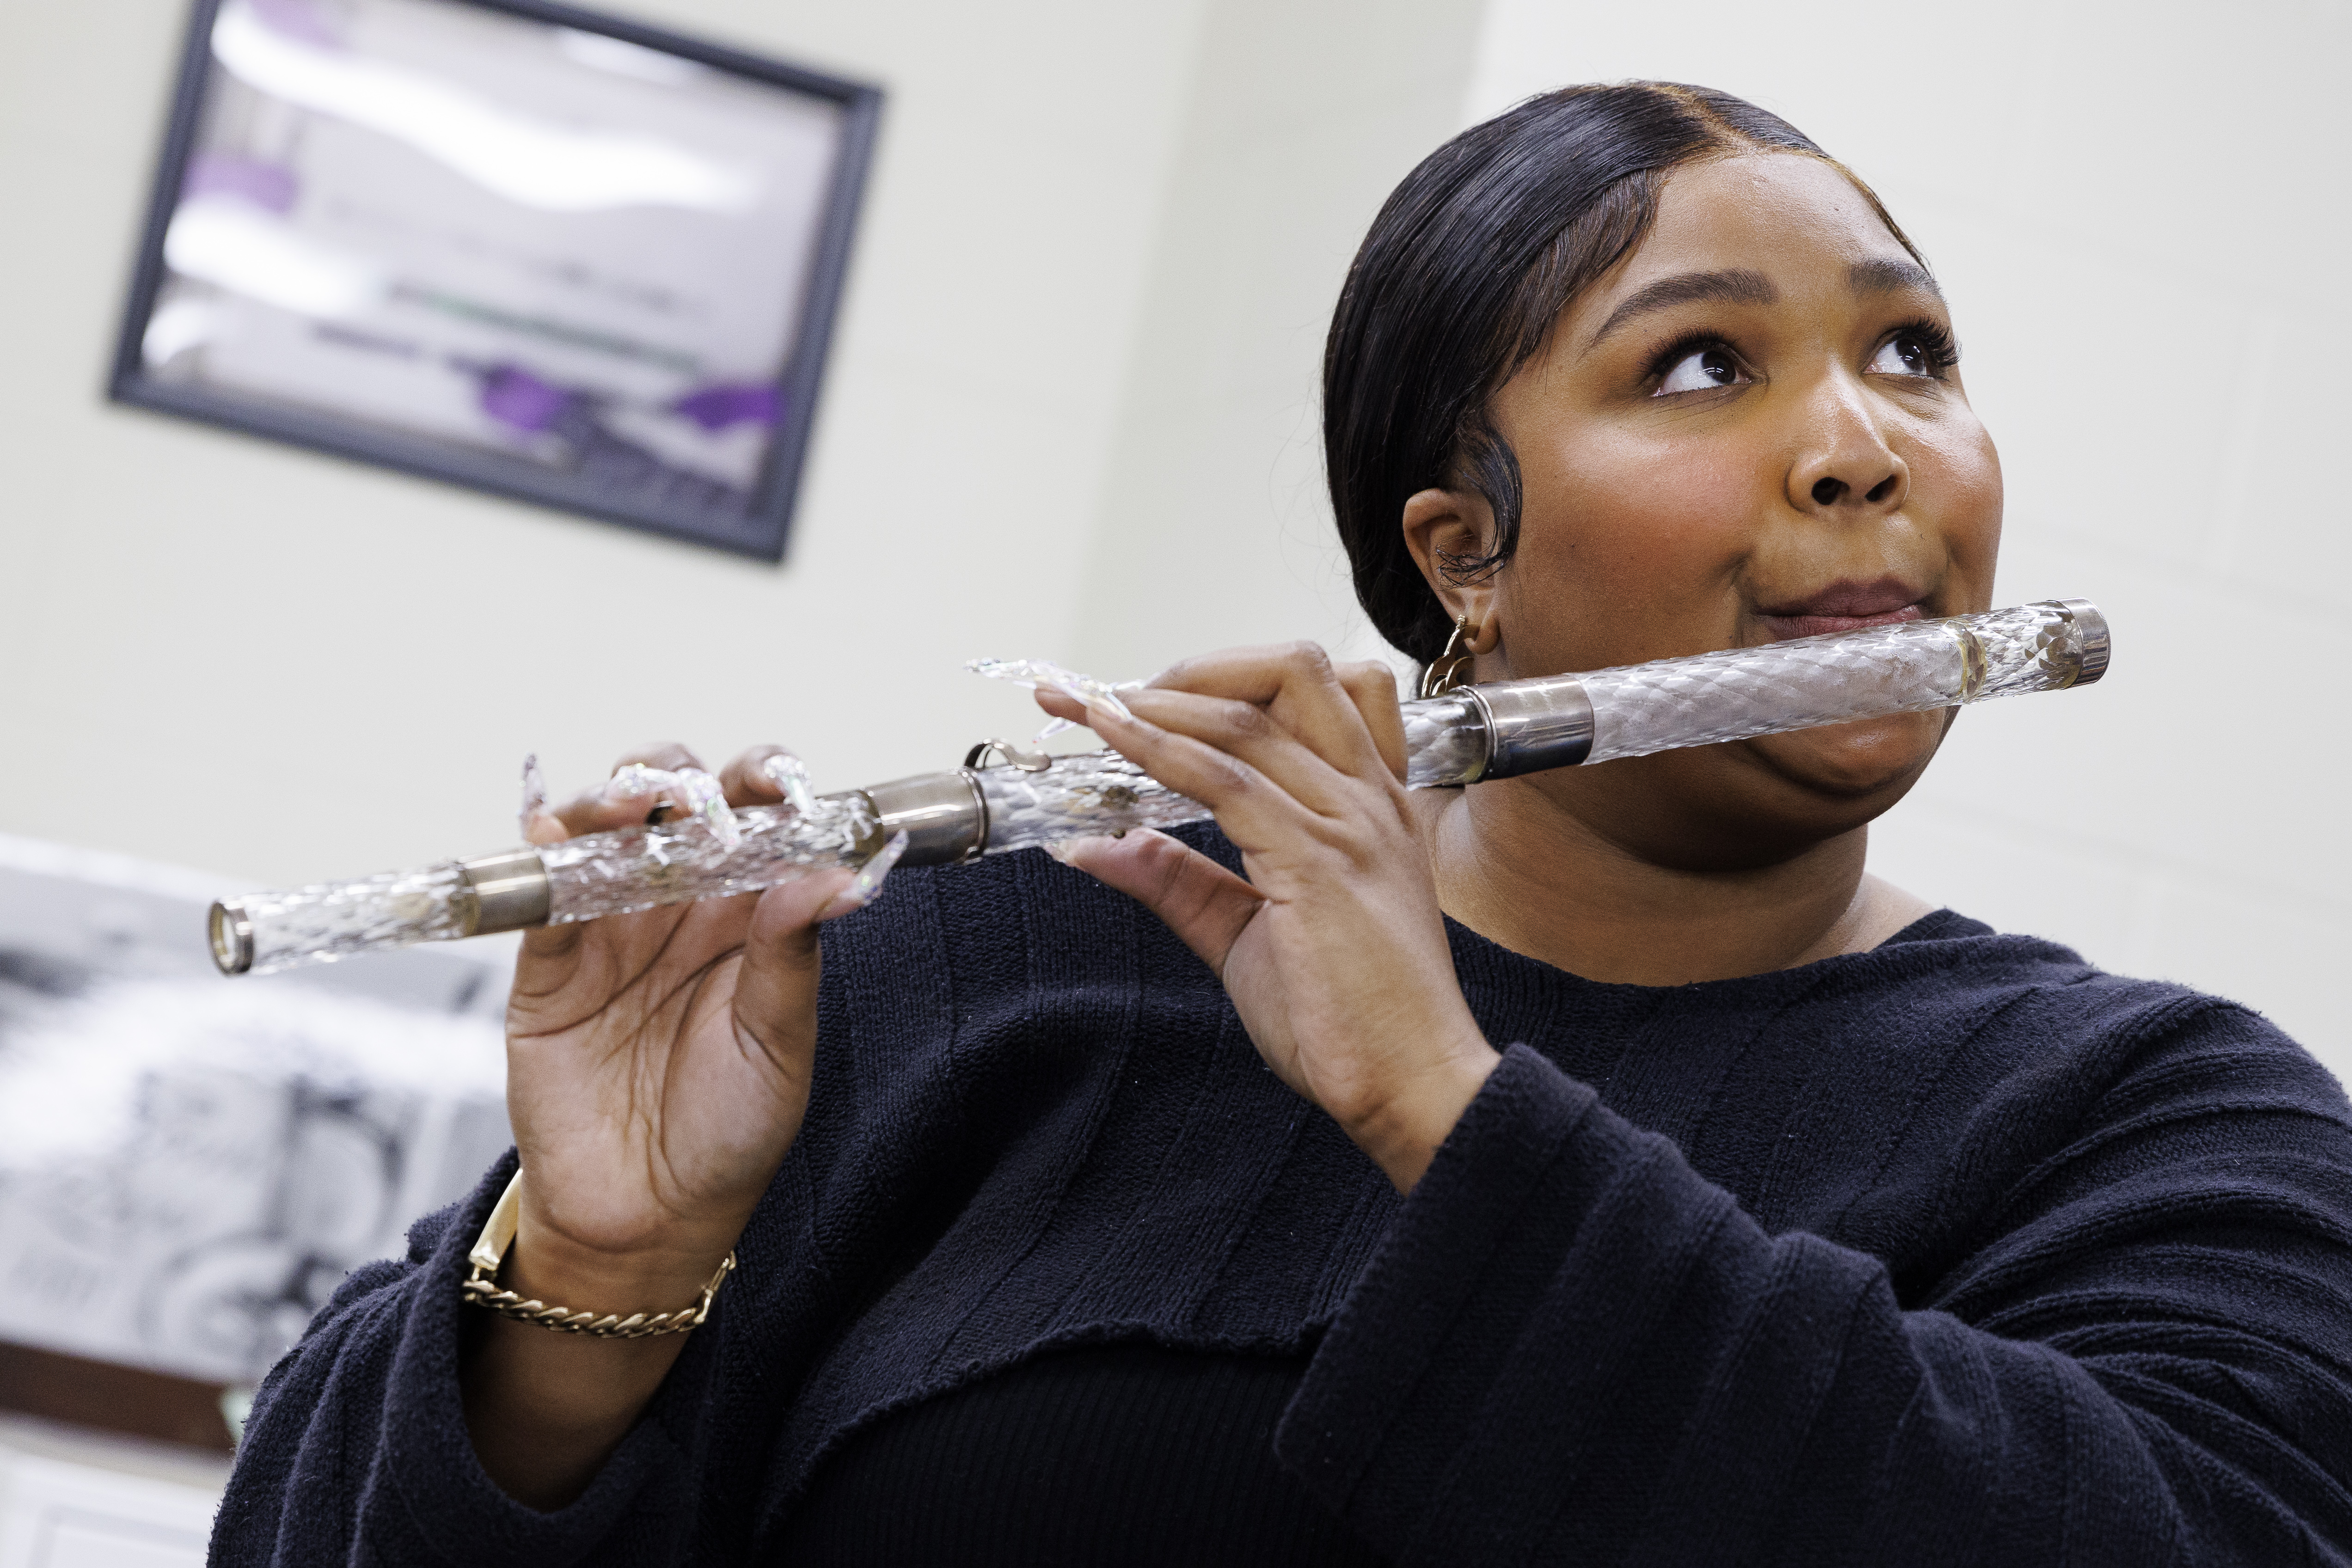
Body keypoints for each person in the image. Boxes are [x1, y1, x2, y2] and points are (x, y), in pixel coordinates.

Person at [210, 83, 2352, 1566]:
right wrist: (600, 1270)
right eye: (1703, 366)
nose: (1868, 447)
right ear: (1460, 553)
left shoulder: (2159, 1128)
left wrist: (1442, 1100)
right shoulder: (972, 971)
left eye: (1917, 350)